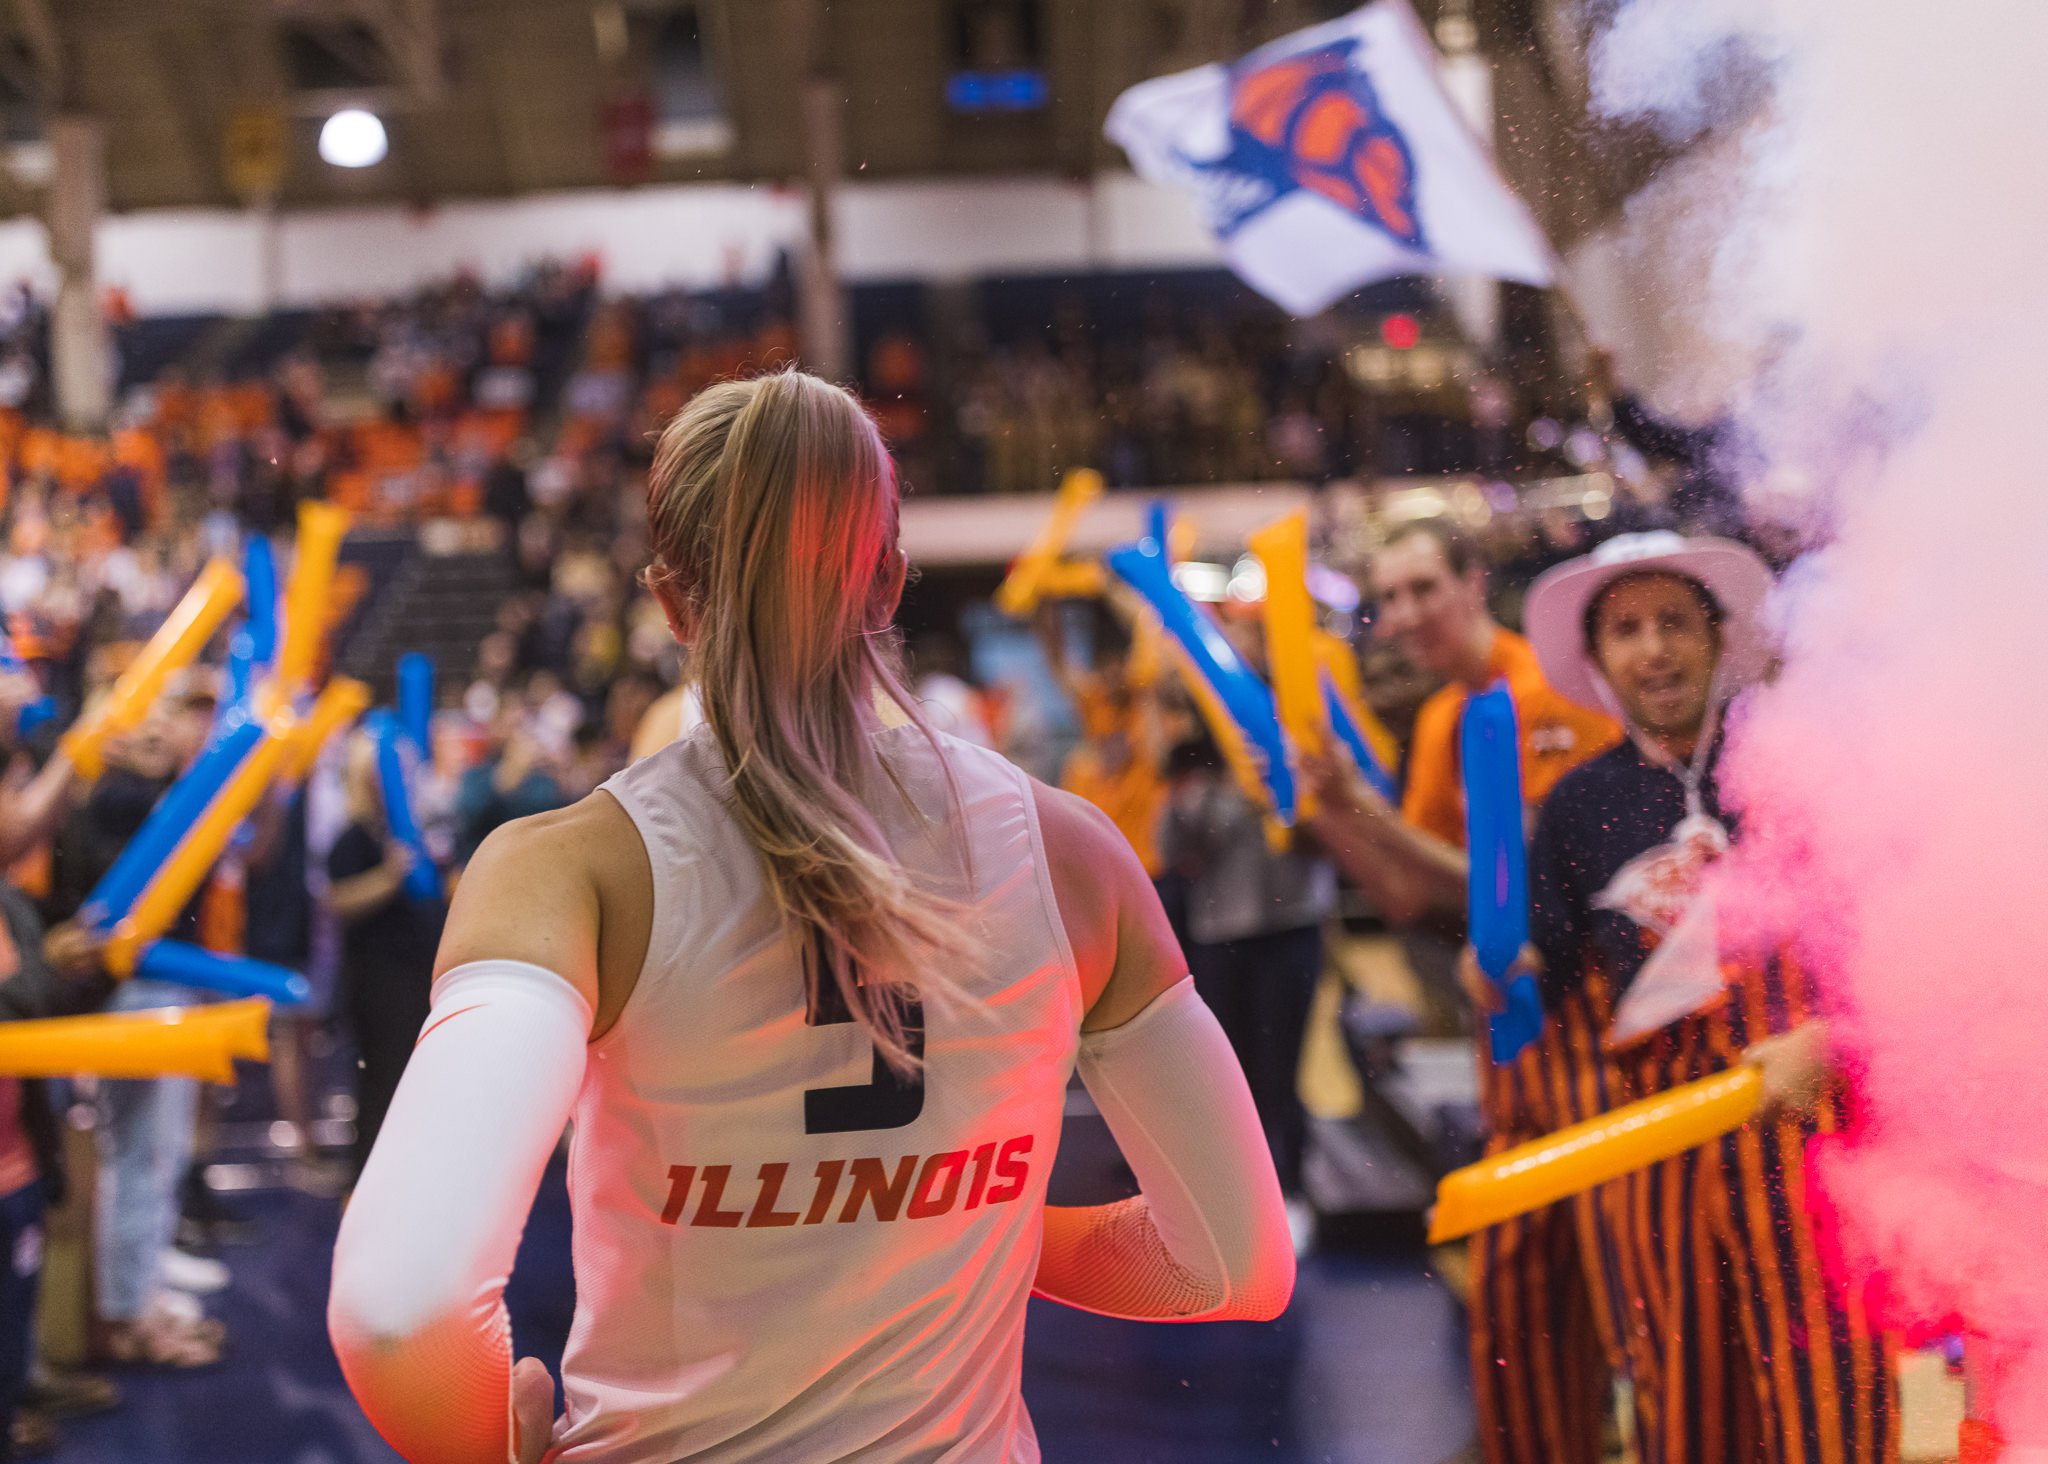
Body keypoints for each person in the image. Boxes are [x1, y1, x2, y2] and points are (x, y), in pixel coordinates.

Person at [328, 369, 1294, 1464]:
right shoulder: (1069, 856)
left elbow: (399, 1315)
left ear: (668, 600)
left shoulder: (566, 873)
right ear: (886, 583)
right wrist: (981, 1229)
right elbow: (1232, 1267)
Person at [1506, 531, 1897, 1462]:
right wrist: (1491, 972)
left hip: (1812, 1128)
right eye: (1628, 629)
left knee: (1832, 1396)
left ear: (1719, 638)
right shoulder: (1574, 805)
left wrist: (1834, 1041)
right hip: (1661, 1145)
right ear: (1598, 661)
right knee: (1683, 1405)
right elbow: (1552, 979)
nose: (1654, 649)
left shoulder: (1799, 767)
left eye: (1675, 623)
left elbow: (1890, 943)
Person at [1301, 519, 1621, 1464]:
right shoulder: (1445, 719)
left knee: (1611, 1258)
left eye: (1420, 589)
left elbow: (1520, 883)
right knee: (1523, 1266)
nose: (1400, 617)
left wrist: (1363, 810)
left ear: (1474, 584)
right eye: (1387, 598)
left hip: (1601, 1025)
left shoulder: (1556, 690)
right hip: (1509, 1034)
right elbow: (1411, 891)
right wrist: (1328, 805)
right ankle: (1538, 1437)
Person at [324, 730, 444, 1183]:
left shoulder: (406, 832)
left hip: (413, 974)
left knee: (411, 1077)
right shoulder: (353, 837)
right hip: (377, 979)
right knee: (381, 1080)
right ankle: (368, 1177)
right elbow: (337, 901)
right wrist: (391, 876)